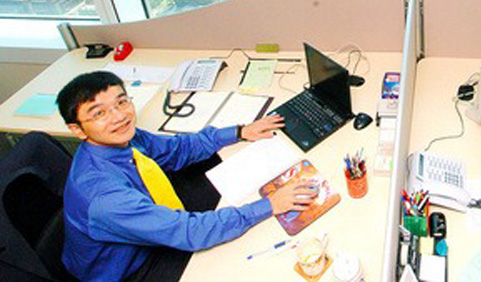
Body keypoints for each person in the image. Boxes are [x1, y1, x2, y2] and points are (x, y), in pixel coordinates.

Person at [57, 70, 316, 282]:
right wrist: (271, 204)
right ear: (77, 130)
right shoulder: (104, 198)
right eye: (99, 113)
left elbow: (177, 150)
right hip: (132, 270)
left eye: (121, 102)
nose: (119, 116)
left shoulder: (124, 139)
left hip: (151, 226)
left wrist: (239, 132)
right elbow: (191, 233)